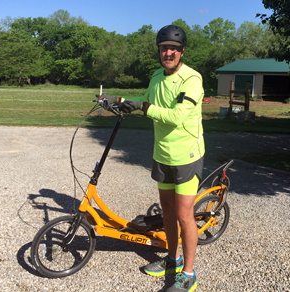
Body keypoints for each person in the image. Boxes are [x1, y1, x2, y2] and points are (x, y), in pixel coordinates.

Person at [97, 25, 204, 292]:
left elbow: (176, 116)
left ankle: (188, 274)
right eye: (163, 48)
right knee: (167, 209)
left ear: (181, 51)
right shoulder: (157, 76)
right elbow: (145, 100)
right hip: (162, 154)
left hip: (187, 155)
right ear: (159, 51)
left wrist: (143, 107)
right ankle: (173, 259)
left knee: (183, 214)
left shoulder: (192, 79)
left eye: (173, 49)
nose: (168, 53)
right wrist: (119, 99)